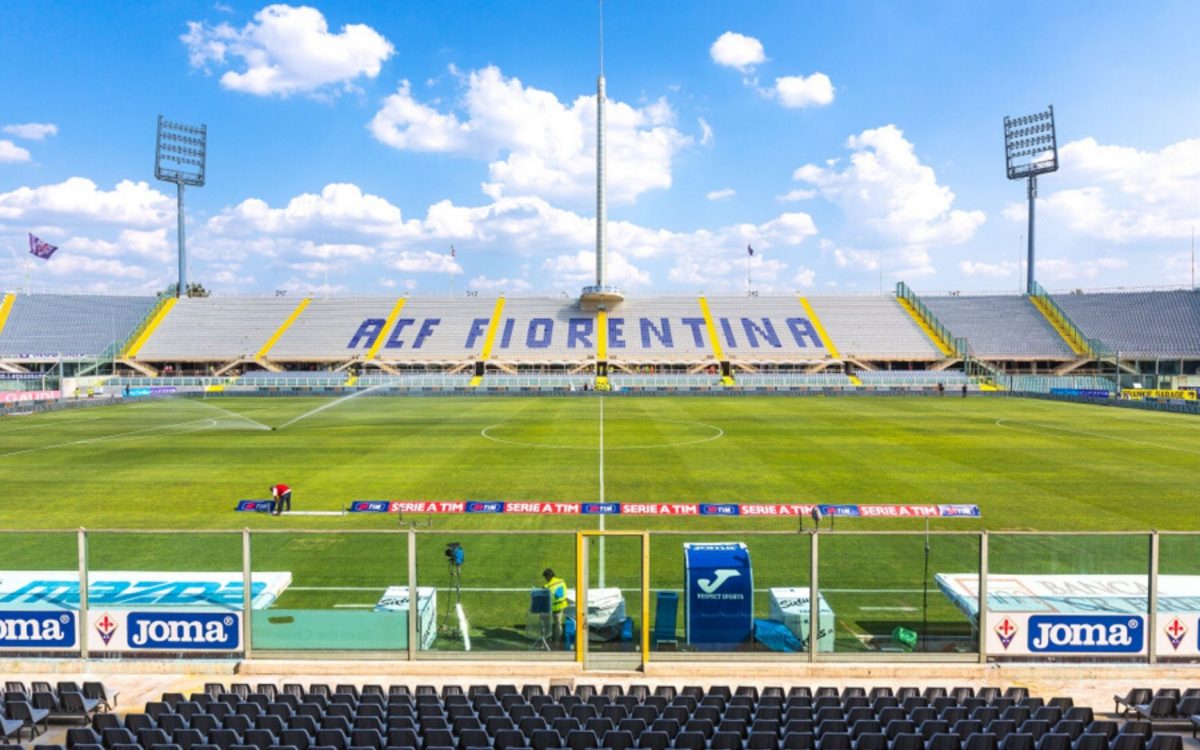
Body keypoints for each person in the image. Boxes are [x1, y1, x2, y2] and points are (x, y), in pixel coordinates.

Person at [542, 568, 568, 643]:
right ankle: (557, 640)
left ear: (548, 577)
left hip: (551, 608)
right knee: (558, 624)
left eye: (545, 577)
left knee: (547, 623)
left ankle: (548, 639)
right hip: (562, 606)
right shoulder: (561, 581)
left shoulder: (547, 587)